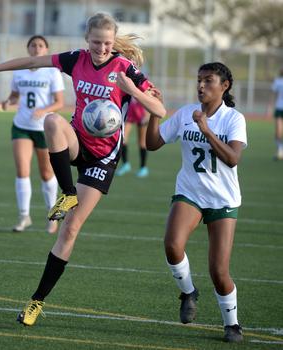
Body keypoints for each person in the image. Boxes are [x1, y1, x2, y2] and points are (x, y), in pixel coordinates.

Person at [0, 12, 166, 327]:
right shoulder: (75, 60)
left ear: (113, 42)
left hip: (103, 159)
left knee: (70, 230)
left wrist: (134, 90)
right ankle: (68, 192)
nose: (102, 48)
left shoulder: (125, 69)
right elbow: (31, 62)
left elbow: (160, 109)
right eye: (96, 42)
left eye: (107, 43)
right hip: (77, 141)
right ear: (86, 40)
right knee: (51, 121)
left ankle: (35, 302)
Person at [146, 62, 247, 343]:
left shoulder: (233, 119)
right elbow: (152, 144)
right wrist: (156, 113)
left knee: (218, 271)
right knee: (172, 245)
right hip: (190, 192)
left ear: (224, 86)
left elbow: (233, 158)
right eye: (199, 80)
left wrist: (206, 129)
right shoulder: (185, 114)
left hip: (223, 199)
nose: (201, 86)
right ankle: (188, 292)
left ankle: (232, 324)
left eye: (208, 81)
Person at [1, 35, 65, 234]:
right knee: (22, 171)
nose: (37, 48)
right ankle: (23, 216)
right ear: (28, 49)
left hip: (45, 128)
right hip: (21, 126)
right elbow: (15, 95)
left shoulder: (52, 72)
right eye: (33, 45)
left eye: (40, 45)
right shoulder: (19, 71)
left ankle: (52, 215)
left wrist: (43, 110)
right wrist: (8, 101)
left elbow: (59, 102)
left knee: (46, 172)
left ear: (46, 49)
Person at [116, 96, 150, 177]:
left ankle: (143, 168)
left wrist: (147, 115)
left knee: (142, 142)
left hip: (141, 111)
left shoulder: (142, 84)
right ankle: (125, 164)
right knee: (122, 138)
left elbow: (149, 97)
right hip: (130, 110)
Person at [268, 68, 283, 160]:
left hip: (279, 108)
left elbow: (272, 94)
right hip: (279, 108)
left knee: (278, 130)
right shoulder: (278, 81)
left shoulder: (278, 81)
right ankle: (280, 150)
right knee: (279, 130)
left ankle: (280, 150)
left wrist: (269, 106)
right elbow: (273, 93)